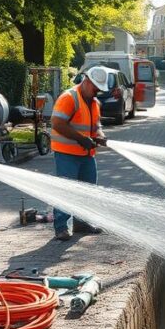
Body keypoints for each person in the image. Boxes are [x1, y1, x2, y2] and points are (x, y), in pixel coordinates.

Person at [50, 66, 109, 240]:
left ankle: (81, 223)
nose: (97, 91)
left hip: (86, 154)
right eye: (95, 87)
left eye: (100, 88)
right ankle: (61, 227)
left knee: (88, 189)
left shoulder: (94, 103)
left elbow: (96, 126)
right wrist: (81, 139)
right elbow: (57, 123)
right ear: (86, 81)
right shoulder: (69, 98)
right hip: (66, 153)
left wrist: (100, 136)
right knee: (67, 189)